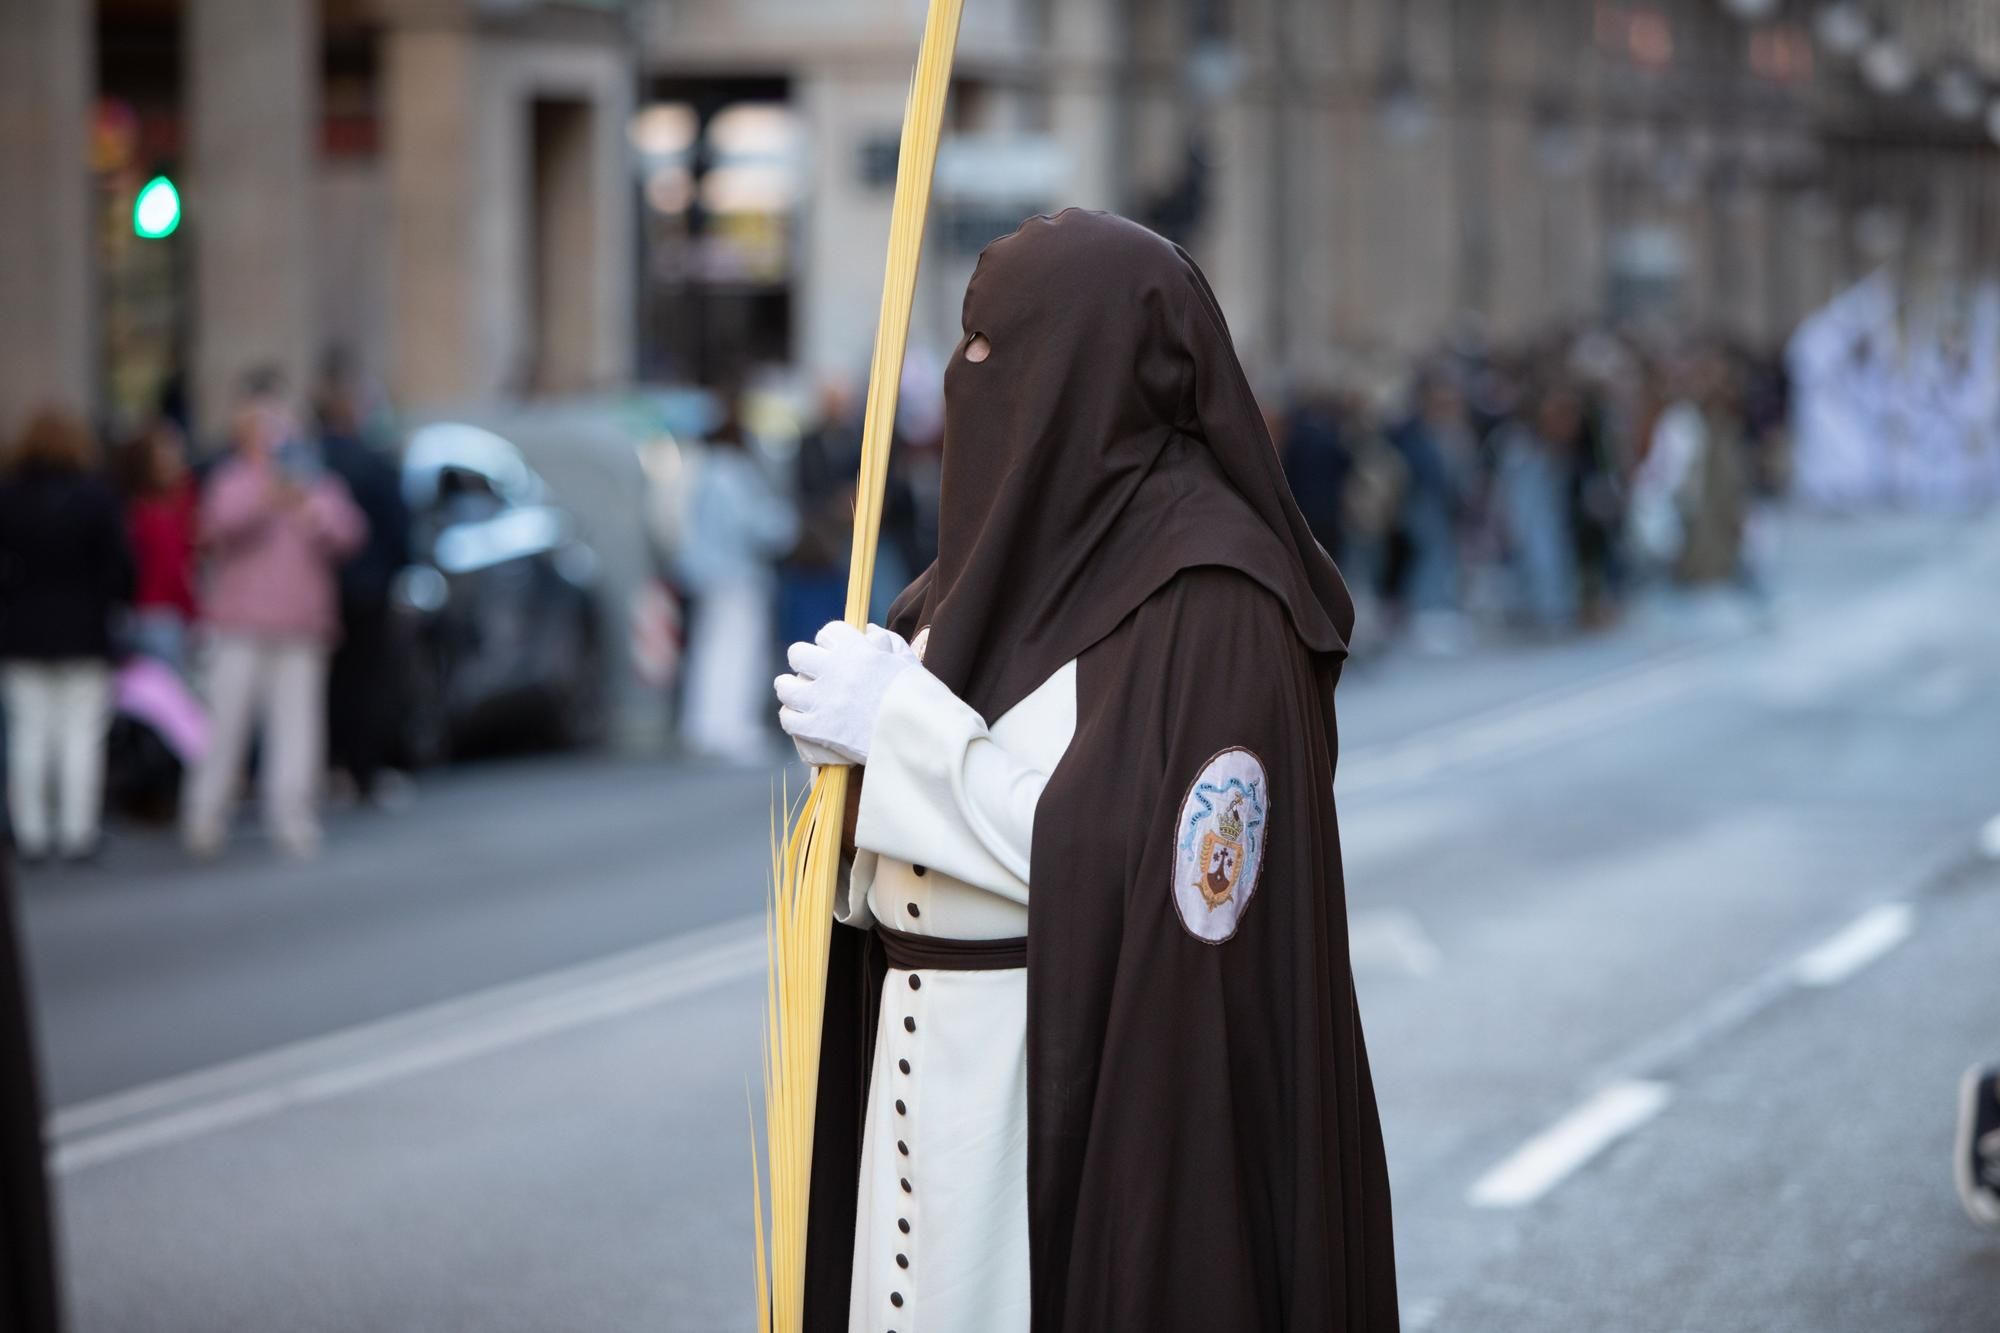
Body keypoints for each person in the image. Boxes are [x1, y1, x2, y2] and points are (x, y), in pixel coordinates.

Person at [774, 210, 1397, 1332]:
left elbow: (1168, 882)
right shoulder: (967, 579)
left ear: (1082, 366)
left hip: (1065, 1097)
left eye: (990, 346)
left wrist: (904, 736)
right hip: (914, 1098)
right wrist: (853, 768)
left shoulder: (1216, 599)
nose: (968, 376)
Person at [182, 367, 366, 859]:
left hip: (302, 625)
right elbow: (217, 527)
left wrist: (308, 506)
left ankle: (292, 816)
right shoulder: (233, 480)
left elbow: (349, 535)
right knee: (225, 726)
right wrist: (267, 497)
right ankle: (205, 815)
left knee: (298, 728)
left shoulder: (315, 481)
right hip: (240, 624)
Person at [0, 409, 133, 864]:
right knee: (79, 736)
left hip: (22, 630)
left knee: (29, 735)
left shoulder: (11, 495)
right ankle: (77, 832)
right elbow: (118, 568)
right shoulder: (95, 497)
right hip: (82, 629)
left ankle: (32, 833)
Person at [674, 388, 798, 764]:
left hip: (709, 575)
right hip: (737, 576)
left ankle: (704, 726)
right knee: (738, 652)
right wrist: (790, 523)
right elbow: (760, 526)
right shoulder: (732, 472)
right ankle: (732, 728)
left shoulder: (703, 469)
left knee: (709, 650)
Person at [315, 350, 412, 807]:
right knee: (367, 684)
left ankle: (331, 767)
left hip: (322, 590)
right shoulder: (374, 461)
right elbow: (399, 528)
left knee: (327, 684)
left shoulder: (310, 460)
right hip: (368, 591)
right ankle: (362, 771)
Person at [118, 415, 200, 672]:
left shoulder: (185, 501)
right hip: (154, 614)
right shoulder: (145, 510)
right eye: (166, 450)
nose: (175, 457)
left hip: (168, 614)